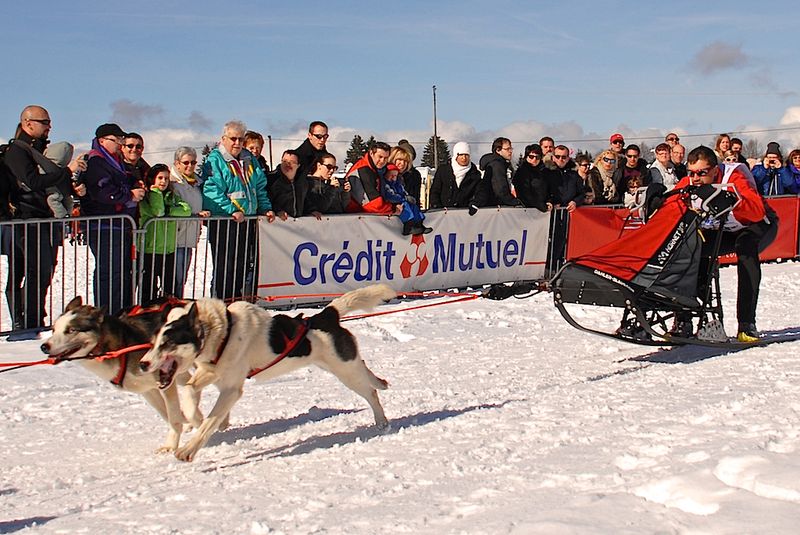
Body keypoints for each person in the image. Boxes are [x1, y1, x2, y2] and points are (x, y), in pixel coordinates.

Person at [670, 145, 777, 342]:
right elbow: (672, 203)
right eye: (691, 173)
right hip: (724, 229)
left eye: (702, 173)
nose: (695, 178)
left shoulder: (734, 175)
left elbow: (756, 211)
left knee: (745, 249)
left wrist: (729, 199)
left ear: (715, 170)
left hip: (755, 224)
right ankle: (688, 317)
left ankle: (747, 323)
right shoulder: (691, 181)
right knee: (691, 248)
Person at [2, 105, 86, 331]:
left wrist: (71, 186)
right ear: (28, 123)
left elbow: (48, 183)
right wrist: (66, 172)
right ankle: (27, 321)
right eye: (45, 122)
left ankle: (33, 317)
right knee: (31, 271)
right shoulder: (17, 151)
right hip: (26, 220)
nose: (49, 127)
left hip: (43, 220)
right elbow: (33, 182)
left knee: (43, 271)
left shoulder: (39, 151)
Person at [201, 120, 274, 301]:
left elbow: (259, 186)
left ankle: (236, 300)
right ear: (223, 138)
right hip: (225, 221)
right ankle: (223, 301)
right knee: (225, 265)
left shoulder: (249, 158)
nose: (237, 143)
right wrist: (231, 210)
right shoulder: (215, 160)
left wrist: (265, 208)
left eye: (241, 139)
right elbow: (212, 190)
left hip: (247, 220)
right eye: (233, 139)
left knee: (241, 264)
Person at [82, 123, 145, 315]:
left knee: (120, 273)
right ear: (102, 140)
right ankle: (107, 313)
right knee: (109, 273)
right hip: (104, 225)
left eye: (120, 140)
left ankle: (120, 312)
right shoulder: (97, 161)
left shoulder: (113, 161)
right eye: (116, 140)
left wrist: (135, 183)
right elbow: (103, 191)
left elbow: (123, 179)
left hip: (118, 224)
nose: (120, 143)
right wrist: (129, 195)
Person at [139, 164, 191, 302]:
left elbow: (186, 210)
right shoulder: (147, 197)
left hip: (169, 249)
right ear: (152, 179)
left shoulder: (171, 196)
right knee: (149, 288)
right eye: (160, 178)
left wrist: (169, 211)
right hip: (150, 248)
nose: (163, 181)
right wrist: (155, 193)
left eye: (166, 178)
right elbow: (158, 211)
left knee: (170, 288)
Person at [170, 146, 210, 297]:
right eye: (186, 162)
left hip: (190, 236)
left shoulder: (196, 182)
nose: (189, 166)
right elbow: (174, 208)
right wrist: (194, 214)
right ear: (177, 163)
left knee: (182, 279)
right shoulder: (173, 183)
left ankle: (178, 302)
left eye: (193, 162)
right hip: (175, 238)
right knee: (175, 277)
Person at [471, 137, 522, 211]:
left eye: (511, 148)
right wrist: (514, 202)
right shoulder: (497, 165)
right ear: (498, 150)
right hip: (495, 207)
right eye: (507, 149)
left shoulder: (500, 164)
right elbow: (500, 189)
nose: (510, 151)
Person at [428, 141, 481, 209]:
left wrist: (473, 205)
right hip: (443, 214)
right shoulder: (443, 171)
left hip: (465, 214)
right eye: (461, 155)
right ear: (456, 155)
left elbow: (479, 194)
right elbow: (435, 191)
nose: (464, 158)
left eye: (466, 155)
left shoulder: (475, 174)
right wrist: (437, 207)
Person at [346, 141, 395, 214]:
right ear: (371, 153)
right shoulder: (364, 170)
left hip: (363, 214)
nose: (382, 161)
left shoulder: (374, 169)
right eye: (380, 157)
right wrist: (393, 210)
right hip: (356, 214)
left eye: (386, 158)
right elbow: (373, 204)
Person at [382, 164, 431, 235]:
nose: (393, 177)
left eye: (395, 176)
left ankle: (419, 224)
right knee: (405, 206)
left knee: (413, 206)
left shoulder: (398, 184)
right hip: (394, 203)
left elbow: (403, 191)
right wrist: (404, 198)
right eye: (391, 175)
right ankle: (408, 226)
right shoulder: (386, 185)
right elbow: (391, 196)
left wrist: (408, 197)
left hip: (401, 200)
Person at [304, 152, 351, 217]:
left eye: (334, 168)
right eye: (329, 167)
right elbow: (321, 207)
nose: (332, 170)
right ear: (319, 165)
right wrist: (332, 188)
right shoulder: (309, 184)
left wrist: (345, 192)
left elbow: (343, 206)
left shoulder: (330, 183)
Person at [267, 150, 307, 219]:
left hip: (298, 225)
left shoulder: (303, 183)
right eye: (285, 161)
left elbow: (306, 201)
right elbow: (265, 200)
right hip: (276, 223)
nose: (287, 164)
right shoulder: (271, 179)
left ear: (298, 165)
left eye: (292, 162)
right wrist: (277, 210)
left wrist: (312, 210)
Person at [512, 144, 552, 212]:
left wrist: (549, 201)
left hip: (544, 210)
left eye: (537, 157)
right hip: (527, 210)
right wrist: (541, 206)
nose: (534, 159)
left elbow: (549, 189)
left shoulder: (545, 171)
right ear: (526, 156)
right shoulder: (521, 172)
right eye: (531, 156)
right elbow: (524, 194)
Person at [550, 145, 585, 211]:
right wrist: (550, 202)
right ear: (553, 158)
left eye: (563, 157)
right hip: (551, 213)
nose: (560, 159)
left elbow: (581, 193)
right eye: (557, 156)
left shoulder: (574, 175)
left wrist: (575, 202)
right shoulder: (547, 173)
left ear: (568, 159)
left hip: (570, 212)